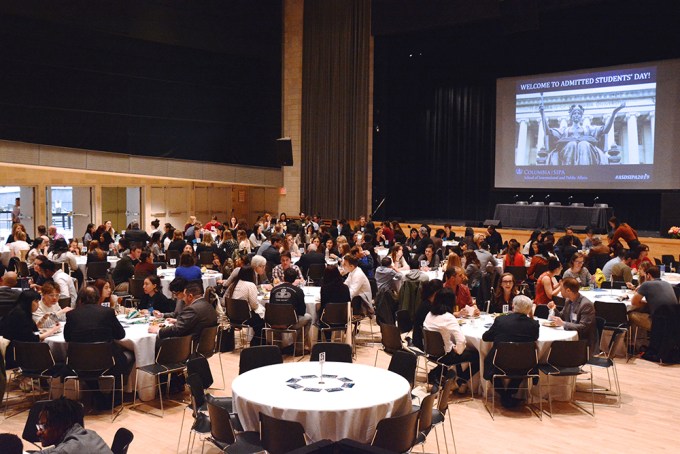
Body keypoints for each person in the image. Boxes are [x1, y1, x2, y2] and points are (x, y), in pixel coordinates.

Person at [65, 286, 134, 393]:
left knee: (89, 364)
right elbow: (120, 335)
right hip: (107, 361)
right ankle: (116, 393)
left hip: (79, 361)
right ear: (98, 298)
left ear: (80, 299)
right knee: (129, 355)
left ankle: (95, 392)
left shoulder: (71, 314)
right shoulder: (107, 312)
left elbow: (67, 338)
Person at [482, 295, 539, 408]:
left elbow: (485, 337)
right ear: (529, 309)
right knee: (521, 362)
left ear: (513, 306)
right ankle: (509, 394)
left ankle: (503, 394)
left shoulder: (500, 320)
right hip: (525, 364)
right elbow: (535, 338)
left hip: (499, 362)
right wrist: (531, 317)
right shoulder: (533, 324)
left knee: (490, 361)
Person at [423, 288, 480, 393]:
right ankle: (460, 382)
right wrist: (457, 351)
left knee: (456, 350)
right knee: (477, 356)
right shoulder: (448, 317)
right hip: (445, 356)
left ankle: (454, 380)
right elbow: (462, 340)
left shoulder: (429, 314)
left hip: (430, 353)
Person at [540, 100, 625, 165]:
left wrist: (614, 113)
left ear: (581, 116)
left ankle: (584, 171)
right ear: (571, 116)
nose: (576, 115)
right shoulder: (564, 130)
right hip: (567, 152)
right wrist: (542, 114)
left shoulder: (588, 129)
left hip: (587, 152)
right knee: (571, 144)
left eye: (578, 113)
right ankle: (569, 172)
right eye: (574, 113)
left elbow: (605, 130)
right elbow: (548, 131)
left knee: (583, 144)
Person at [36, 397, 113, 453]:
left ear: (61, 425)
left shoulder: (68, 449)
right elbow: (51, 450)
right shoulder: (89, 434)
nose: (38, 432)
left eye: (44, 427)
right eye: (39, 427)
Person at [149, 281, 217, 344]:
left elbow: (177, 329)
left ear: (190, 296)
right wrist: (177, 320)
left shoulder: (192, 309)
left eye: (184, 296)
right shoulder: (208, 305)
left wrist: (158, 330)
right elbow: (194, 322)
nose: (183, 299)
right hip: (206, 344)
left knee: (154, 342)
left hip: (189, 345)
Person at [547, 277, 598, 357]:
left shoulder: (586, 305)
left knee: (554, 349)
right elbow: (562, 317)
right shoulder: (568, 301)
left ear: (568, 290)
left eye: (561, 289)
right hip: (569, 335)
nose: (560, 291)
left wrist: (563, 324)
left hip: (582, 342)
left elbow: (583, 327)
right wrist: (554, 308)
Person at [629, 266, 679, 334]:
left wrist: (647, 304)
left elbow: (634, 302)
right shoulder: (668, 284)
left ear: (648, 275)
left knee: (631, 314)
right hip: (675, 320)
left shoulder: (646, 284)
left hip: (658, 322)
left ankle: (633, 342)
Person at [223, 266, 264, 345]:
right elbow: (254, 305)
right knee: (262, 320)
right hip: (244, 318)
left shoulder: (233, 284)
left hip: (231, 317)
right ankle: (256, 344)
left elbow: (224, 302)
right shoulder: (250, 285)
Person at [269, 267, 312, 334]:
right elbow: (302, 311)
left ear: (283, 277)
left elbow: (271, 307)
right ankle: (299, 343)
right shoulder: (299, 291)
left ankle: (274, 342)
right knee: (308, 317)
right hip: (291, 323)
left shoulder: (274, 290)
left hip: (274, 321)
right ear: (295, 279)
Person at [413, 279, 443, 350]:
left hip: (420, 340)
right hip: (424, 343)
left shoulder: (426, 303)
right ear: (437, 293)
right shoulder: (428, 307)